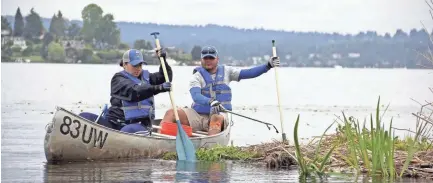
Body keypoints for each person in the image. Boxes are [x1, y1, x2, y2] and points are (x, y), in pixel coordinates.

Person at [161, 46, 279, 135]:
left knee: (215, 118)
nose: (208, 61)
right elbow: (195, 95)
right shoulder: (196, 77)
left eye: (211, 58)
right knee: (171, 112)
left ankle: (211, 147)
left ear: (217, 59)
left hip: (219, 115)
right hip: (199, 115)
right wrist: (211, 101)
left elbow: (248, 73)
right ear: (201, 60)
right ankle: (160, 143)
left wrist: (267, 66)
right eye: (205, 58)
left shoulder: (228, 72)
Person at [98, 48, 172, 135]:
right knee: (85, 116)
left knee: (127, 130)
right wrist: (159, 88)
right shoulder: (118, 79)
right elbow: (135, 91)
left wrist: (162, 59)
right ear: (125, 64)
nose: (138, 68)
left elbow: (166, 77)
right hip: (114, 123)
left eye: (140, 65)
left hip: (139, 125)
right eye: (135, 65)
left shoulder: (147, 77)